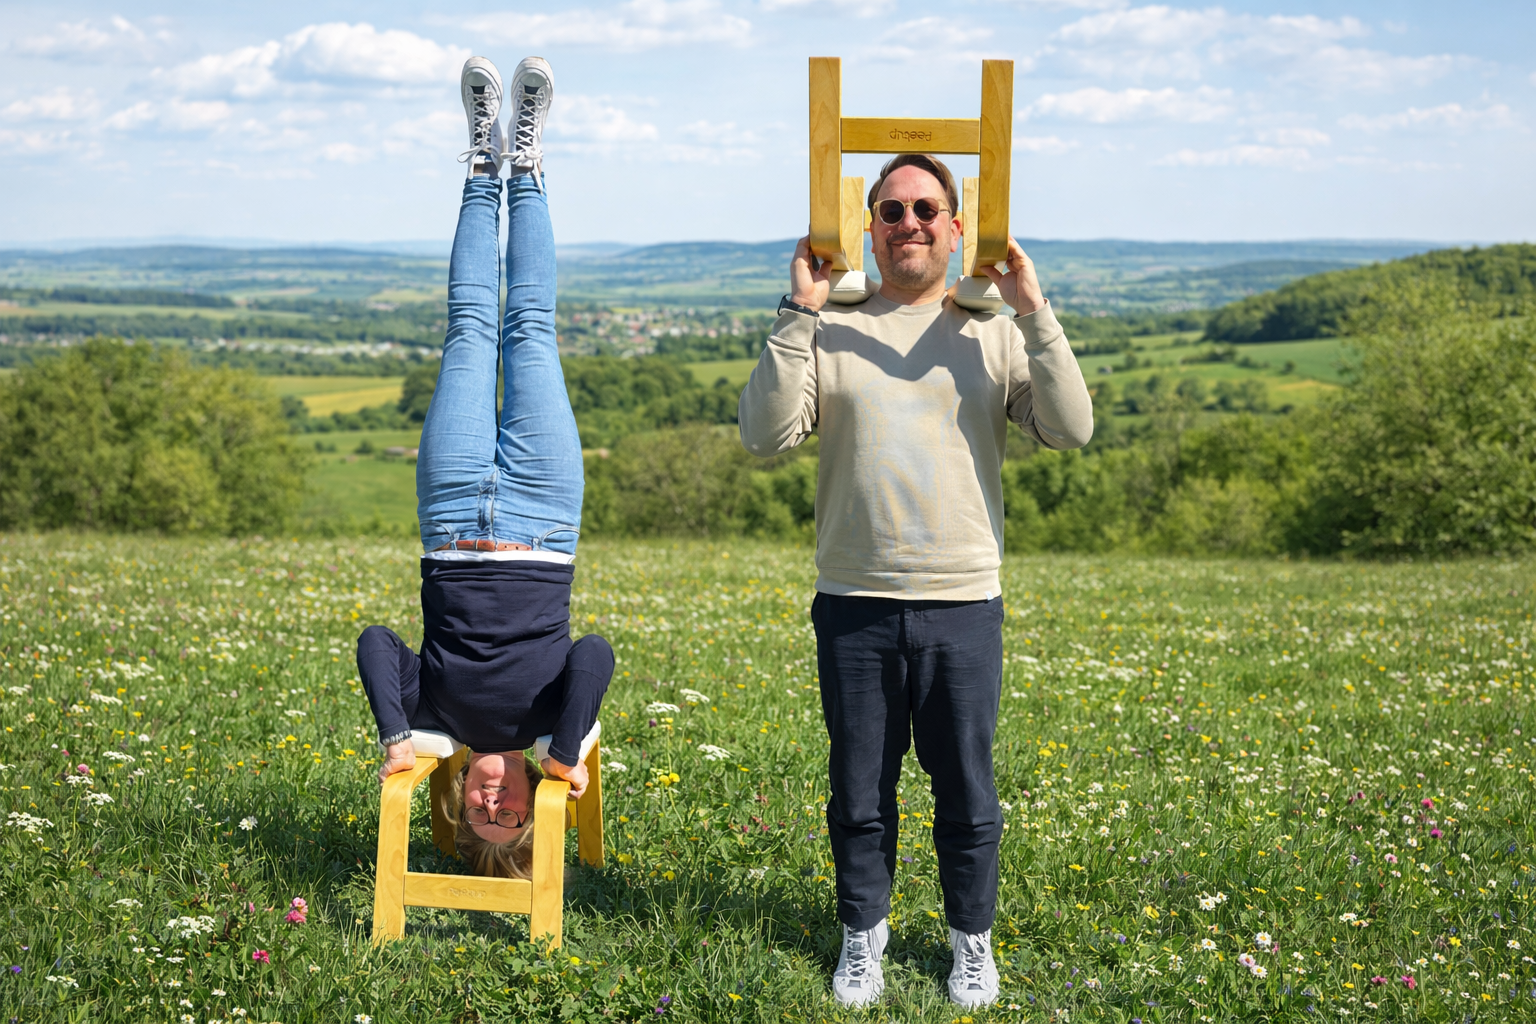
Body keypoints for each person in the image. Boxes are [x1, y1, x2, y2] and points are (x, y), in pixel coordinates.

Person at [738, 153, 1093, 1008]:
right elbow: (763, 436)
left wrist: (1033, 308)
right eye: (891, 210)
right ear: (870, 225)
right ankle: (865, 935)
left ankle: (972, 941)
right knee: (859, 787)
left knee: (967, 788)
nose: (910, 224)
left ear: (957, 225)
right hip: (854, 600)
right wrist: (798, 310)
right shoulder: (829, 325)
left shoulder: (994, 328)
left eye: (927, 209)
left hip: (962, 599)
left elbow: (1072, 430)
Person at [355, 55, 613, 881]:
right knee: (529, 327)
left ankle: (480, 159)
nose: (494, 806)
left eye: (481, 817)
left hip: (454, 511)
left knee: (469, 326)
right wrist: (565, 751)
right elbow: (597, 653)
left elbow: (375, 641)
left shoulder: (433, 722)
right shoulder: (549, 730)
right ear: (534, 804)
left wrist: (398, 739)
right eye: (512, 818)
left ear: (462, 795)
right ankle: (527, 166)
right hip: (542, 514)